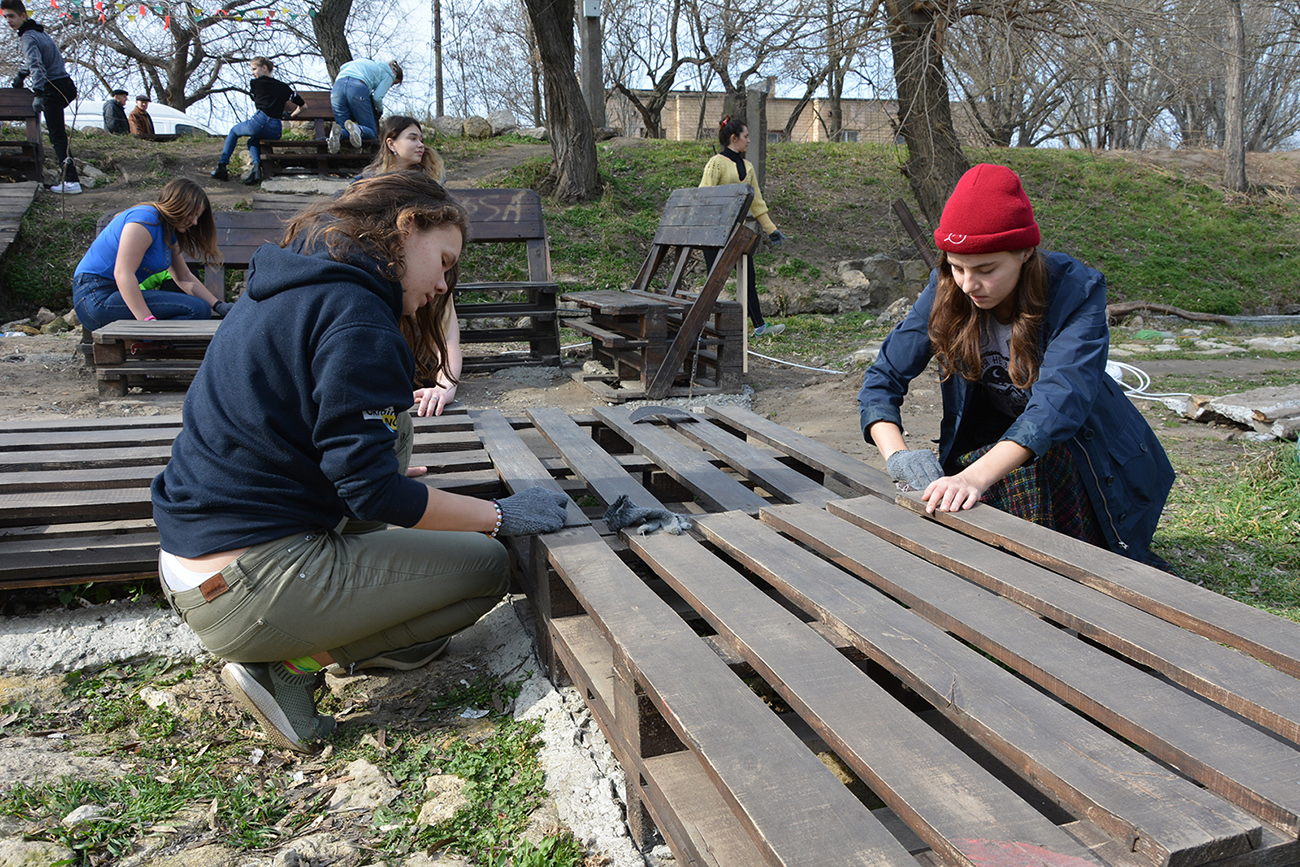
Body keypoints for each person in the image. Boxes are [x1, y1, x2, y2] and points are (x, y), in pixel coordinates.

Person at [150, 171, 569, 754]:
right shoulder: (358, 318)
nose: (445, 284)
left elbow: (307, 445)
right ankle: (292, 666)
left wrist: (374, 478)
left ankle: (360, 631)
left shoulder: (294, 284)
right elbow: (375, 496)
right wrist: (499, 515)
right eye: (444, 261)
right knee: (485, 569)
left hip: (198, 567)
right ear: (405, 229)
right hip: (246, 585)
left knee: (391, 452)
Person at [858, 163, 1174, 565]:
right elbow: (883, 378)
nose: (969, 285)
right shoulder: (947, 291)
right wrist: (898, 456)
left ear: (1025, 252)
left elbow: (1057, 406)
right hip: (995, 451)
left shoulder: (1076, 291)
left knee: (1054, 546)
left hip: (1089, 461)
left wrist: (972, 477)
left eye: (986, 269)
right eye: (957, 267)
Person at [357, 116, 457, 416]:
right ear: (391, 143)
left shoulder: (431, 189)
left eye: (421, 137)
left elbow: (449, 331)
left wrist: (446, 386)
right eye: (412, 137)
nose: (420, 143)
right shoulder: (365, 189)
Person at [72, 178, 229, 331]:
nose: (194, 222)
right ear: (178, 205)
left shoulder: (167, 231)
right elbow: (123, 273)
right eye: (192, 214)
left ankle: (147, 343)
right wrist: (147, 323)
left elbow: (183, 277)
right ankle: (147, 340)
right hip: (95, 296)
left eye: (198, 217)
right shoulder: (146, 219)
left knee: (200, 308)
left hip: (114, 295)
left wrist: (219, 305)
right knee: (196, 309)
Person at [699, 115, 786, 337]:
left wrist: (771, 229)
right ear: (734, 137)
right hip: (713, 233)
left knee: (749, 278)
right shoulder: (716, 163)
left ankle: (759, 327)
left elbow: (757, 203)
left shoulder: (748, 167)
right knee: (714, 281)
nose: (749, 141)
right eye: (746, 137)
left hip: (736, 233)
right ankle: (700, 328)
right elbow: (704, 197)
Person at [1, 0, 81, 193]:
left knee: (57, 136)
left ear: (23, 15)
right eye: (5, 17)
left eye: (11, 16)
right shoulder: (39, 33)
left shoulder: (28, 36)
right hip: (65, 84)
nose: (8, 21)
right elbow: (33, 62)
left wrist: (38, 93)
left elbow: (37, 65)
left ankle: (71, 181)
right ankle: (71, 180)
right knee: (58, 134)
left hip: (52, 87)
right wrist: (20, 75)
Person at [211, 57, 304, 186]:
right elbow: (304, 106)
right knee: (252, 141)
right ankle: (256, 169)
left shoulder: (256, 83)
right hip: (276, 129)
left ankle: (222, 166)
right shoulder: (285, 88)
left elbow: (256, 99)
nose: (253, 73)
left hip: (260, 121)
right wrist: (290, 116)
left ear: (264, 67)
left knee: (234, 131)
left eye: (254, 69)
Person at [327, 58, 402, 154]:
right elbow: (377, 97)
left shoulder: (370, 63)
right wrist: (380, 110)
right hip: (357, 87)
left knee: (344, 130)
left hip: (337, 88)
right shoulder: (390, 74)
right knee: (371, 132)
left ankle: (337, 133)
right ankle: (357, 129)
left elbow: (343, 66)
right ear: (395, 74)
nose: (391, 85)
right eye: (394, 83)